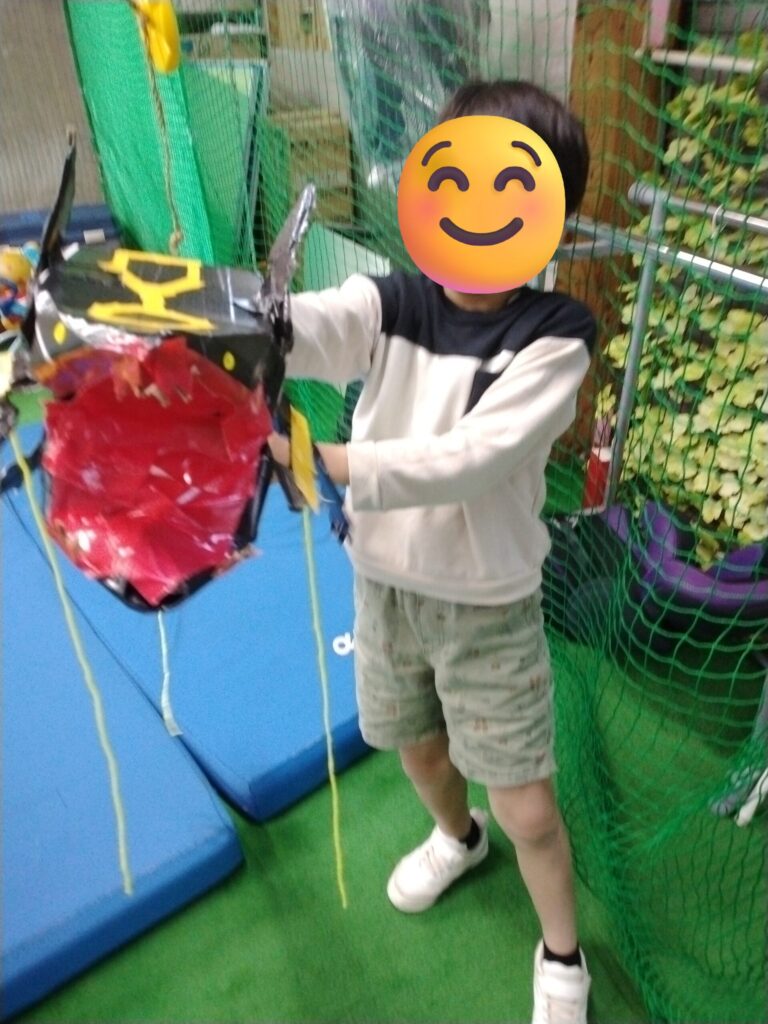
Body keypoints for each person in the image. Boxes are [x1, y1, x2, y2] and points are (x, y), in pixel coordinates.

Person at [271, 79, 595, 1024]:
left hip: (487, 606)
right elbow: (318, 327)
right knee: (415, 750)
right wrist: (247, 327)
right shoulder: (393, 299)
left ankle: (563, 955)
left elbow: (471, 458)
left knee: (528, 805)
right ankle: (459, 838)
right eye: (460, 181)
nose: (480, 215)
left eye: (513, 192)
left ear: (549, 219)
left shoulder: (556, 338)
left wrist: (329, 462)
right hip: (383, 588)